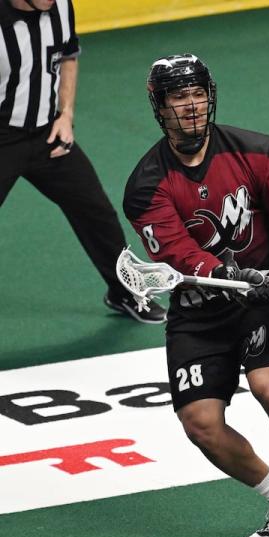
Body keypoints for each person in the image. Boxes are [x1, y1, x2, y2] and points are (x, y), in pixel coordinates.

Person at [122, 53, 269, 537]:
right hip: (199, 311)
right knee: (201, 424)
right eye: (179, 97)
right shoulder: (145, 186)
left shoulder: (257, 150)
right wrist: (232, 276)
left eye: (199, 94)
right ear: (160, 107)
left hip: (261, 299)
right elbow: (180, 253)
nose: (192, 106)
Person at [0, 0, 165, 324]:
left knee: (96, 211)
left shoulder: (60, 5)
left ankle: (124, 292)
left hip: (49, 134)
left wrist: (66, 115)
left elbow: (68, 56)